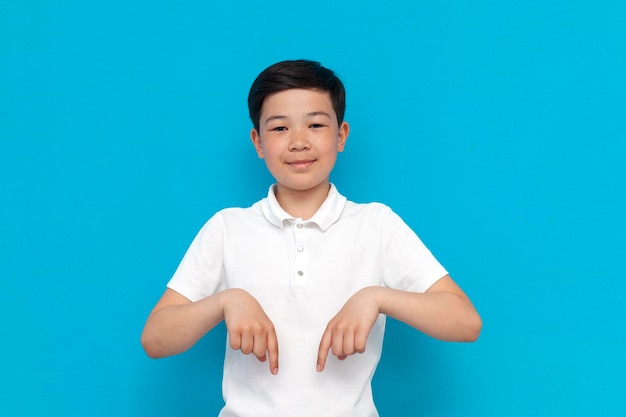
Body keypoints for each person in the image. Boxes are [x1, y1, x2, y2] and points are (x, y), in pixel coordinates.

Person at [141, 59, 482, 417]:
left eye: (316, 124)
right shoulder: (228, 227)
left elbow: (465, 321)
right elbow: (155, 338)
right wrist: (227, 301)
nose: (299, 142)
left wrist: (376, 298)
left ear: (341, 135)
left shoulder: (377, 224)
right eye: (279, 128)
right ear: (257, 141)